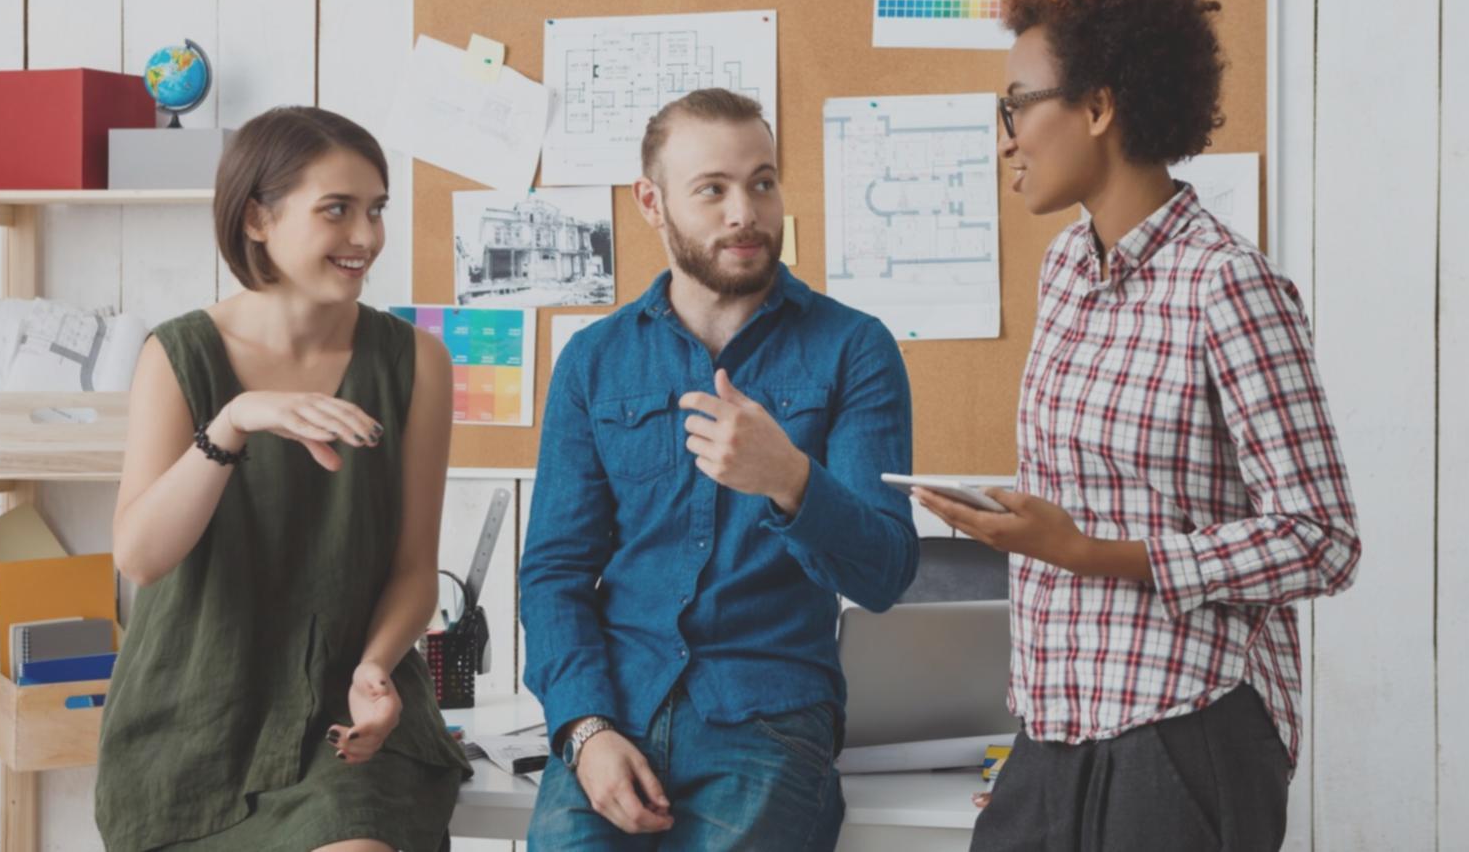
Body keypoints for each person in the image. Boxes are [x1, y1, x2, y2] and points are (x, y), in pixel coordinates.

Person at [912, 0, 1363, 851]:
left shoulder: (1225, 283)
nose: (1004, 138)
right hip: (1055, 725)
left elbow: (1322, 538)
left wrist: (1095, 554)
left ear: (1100, 106)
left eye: (1015, 106)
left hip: (1185, 724)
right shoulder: (1066, 269)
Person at [519, 88, 919, 850]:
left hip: (766, 717)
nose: (746, 211)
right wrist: (584, 727)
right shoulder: (592, 362)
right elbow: (554, 573)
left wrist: (790, 479)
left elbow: (886, 572)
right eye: (713, 189)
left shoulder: (855, 348)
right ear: (651, 201)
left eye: (762, 182)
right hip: (615, 712)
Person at [95, 106, 469, 852]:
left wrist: (374, 666)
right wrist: (232, 422)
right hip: (194, 718)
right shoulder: (177, 356)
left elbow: (413, 570)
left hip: (347, 715)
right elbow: (140, 555)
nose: (366, 237)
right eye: (337, 209)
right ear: (258, 217)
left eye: (376, 209)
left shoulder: (415, 362)